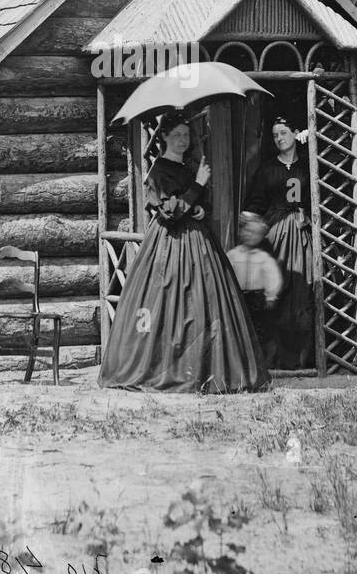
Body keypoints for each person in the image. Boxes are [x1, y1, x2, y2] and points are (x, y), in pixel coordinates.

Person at [99, 112, 270, 394]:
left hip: (200, 245)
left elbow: (195, 205)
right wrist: (199, 186)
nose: (182, 141)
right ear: (164, 137)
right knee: (167, 303)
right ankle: (165, 368)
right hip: (168, 247)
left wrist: (201, 208)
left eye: (186, 136)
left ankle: (205, 369)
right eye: (176, 135)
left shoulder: (189, 169)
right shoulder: (158, 172)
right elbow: (169, 213)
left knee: (205, 302)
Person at [244, 115, 315, 369]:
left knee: (302, 289)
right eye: (275, 135)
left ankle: (301, 359)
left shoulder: (307, 166)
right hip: (275, 235)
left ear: (295, 134)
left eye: (284, 133)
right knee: (276, 290)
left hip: (302, 234)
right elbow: (255, 203)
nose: (279, 138)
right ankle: (272, 357)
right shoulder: (267, 169)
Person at [226, 211, 283, 367]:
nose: (250, 236)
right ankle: (241, 362)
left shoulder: (263, 258)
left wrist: (271, 296)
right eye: (247, 231)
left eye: (254, 233)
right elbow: (226, 274)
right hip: (238, 297)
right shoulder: (233, 255)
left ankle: (262, 362)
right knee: (239, 327)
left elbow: (273, 277)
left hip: (257, 298)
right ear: (241, 232)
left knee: (260, 329)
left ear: (260, 237)